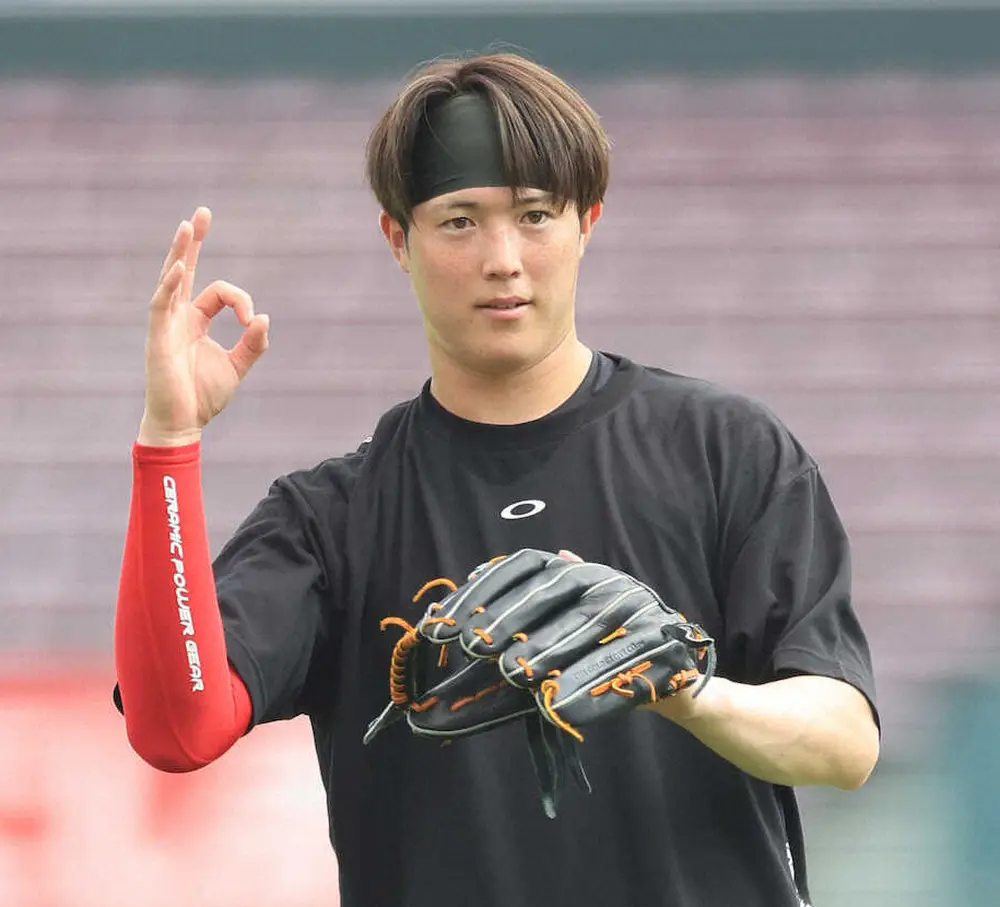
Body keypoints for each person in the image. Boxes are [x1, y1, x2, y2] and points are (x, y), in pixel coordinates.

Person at [112, 52, 880, 907]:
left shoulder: (724, 449)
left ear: (587, 222)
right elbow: (175, 728)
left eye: (536, 214)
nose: (503, 258)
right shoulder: (333, 518)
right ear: (397, 239)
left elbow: (845, 739)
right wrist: (169, 439)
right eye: (459, 221)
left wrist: (685, 690)